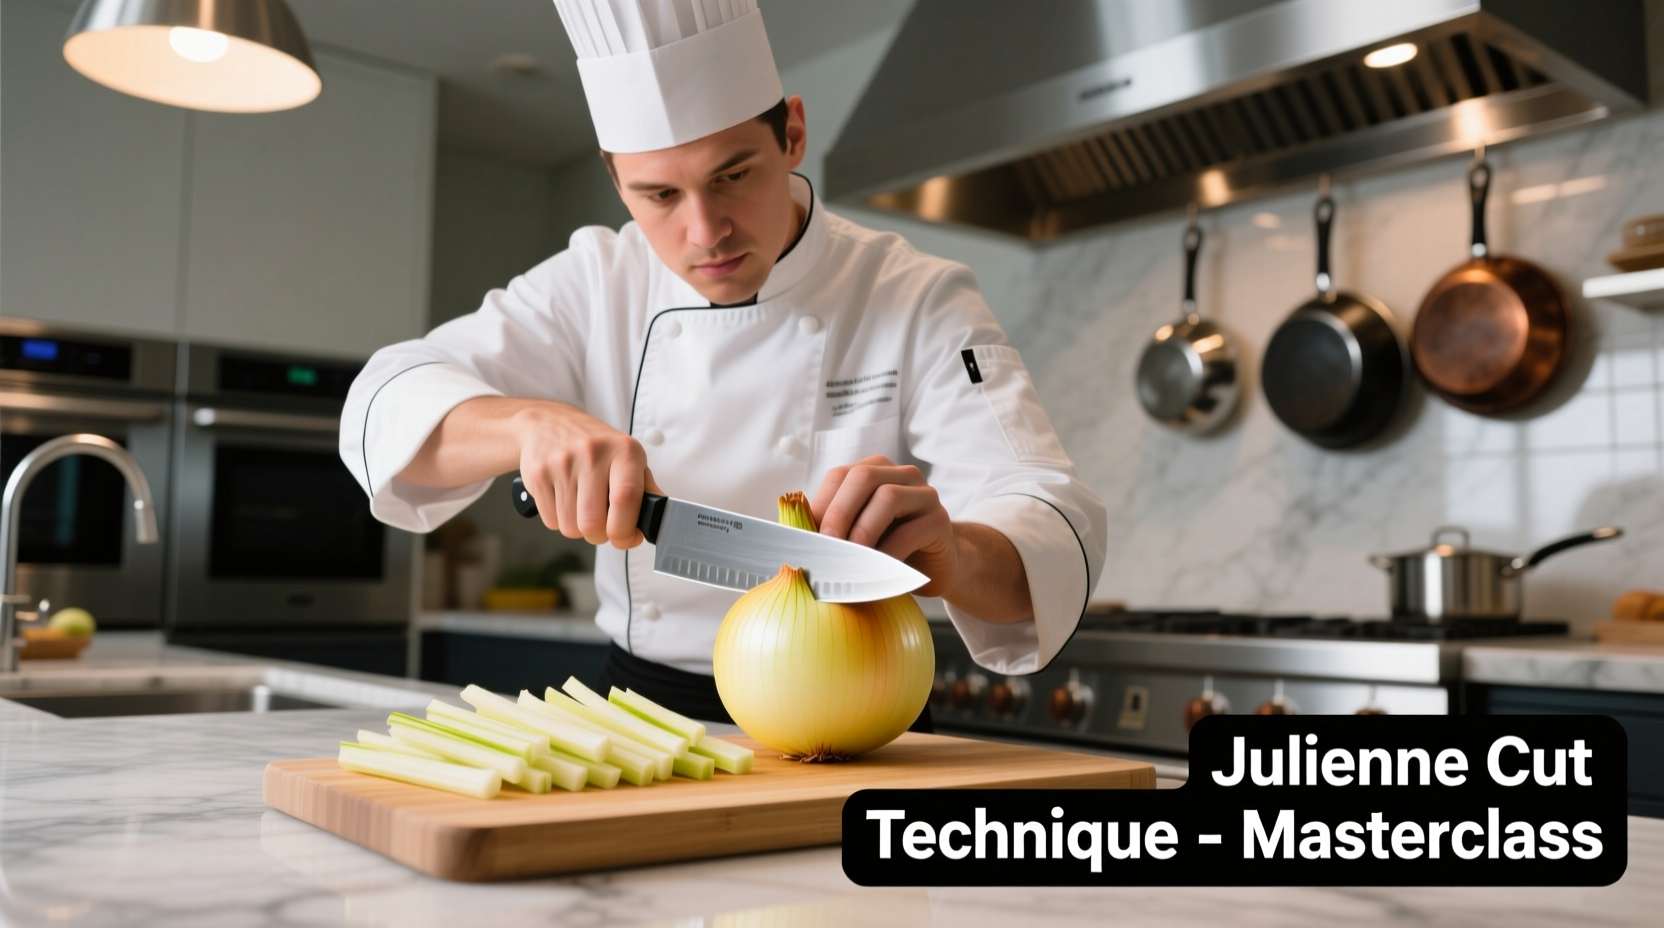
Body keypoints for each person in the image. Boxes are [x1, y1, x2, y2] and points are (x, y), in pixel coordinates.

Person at [340, 0, 1105, 723]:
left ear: (793, 134)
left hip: (862, 703)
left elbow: (1046, 515)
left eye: (732, 176)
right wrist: (529, 425)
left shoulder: (917, 297)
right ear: (616, 182)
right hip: (643, 713)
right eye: (660, 195)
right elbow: (384, 400)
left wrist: (953, 555)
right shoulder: (593, 282)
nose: (706, 231)